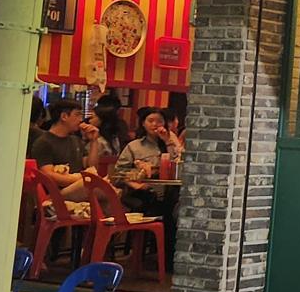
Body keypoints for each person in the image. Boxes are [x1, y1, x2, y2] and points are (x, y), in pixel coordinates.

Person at [113, 108, 184, 261]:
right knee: (166, 210)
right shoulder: (134, 146)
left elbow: (179, 164)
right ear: (143, 124)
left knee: (175, 206)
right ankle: (164, 258)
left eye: (159, 121)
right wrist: (136, 179)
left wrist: (168, 141)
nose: (155, 124)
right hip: (142, 192)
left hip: (168, 191)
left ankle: (169, 257)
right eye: (150, 121)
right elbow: (118, 174)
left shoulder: (169, 143)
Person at [28, 100, 97, 203]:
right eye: (77, 115)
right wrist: (80, 178)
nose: (81, 120)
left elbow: (91, 166)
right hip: (54, 196)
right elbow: (48, 175)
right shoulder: (43, 142)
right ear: (64, 116)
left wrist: (94, 141)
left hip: (77, 189)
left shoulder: (75, 140)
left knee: (102, 189)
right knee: (95, 186)